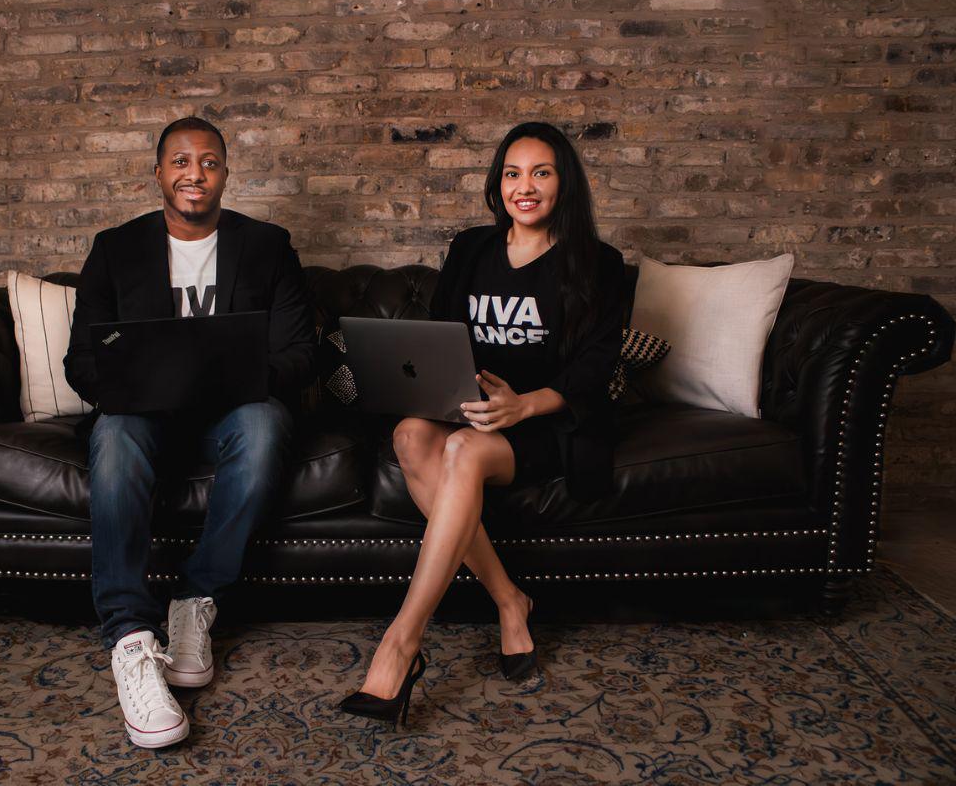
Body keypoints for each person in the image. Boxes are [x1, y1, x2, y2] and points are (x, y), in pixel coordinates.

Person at [338, 121, 626, 726]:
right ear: (498, 185)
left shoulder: (598, 262)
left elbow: (596, 370)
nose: (525, 187)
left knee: (464, 452)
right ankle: (509, 599)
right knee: (411, 436)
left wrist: (523, 404)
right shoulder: (471, 249)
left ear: (563, 183)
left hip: (545, 424)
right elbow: (443, 338)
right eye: (512, 173)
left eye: (541, 173)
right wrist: (444, 389)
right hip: (473, 409)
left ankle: (401, 645)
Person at [64, 117, 314, 748]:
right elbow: (82, 362)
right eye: (180, 162)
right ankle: (130, 636)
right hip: (143, 418)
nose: (193, 174)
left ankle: (194, 600)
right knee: (116, 439)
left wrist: (229, 383)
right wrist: (132, 389)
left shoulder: (267, 246)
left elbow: (298, 354)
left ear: (226, 174)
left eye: (208, 162)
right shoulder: (115, 249)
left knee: (263, 430)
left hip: (232, 414)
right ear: (158, 174)